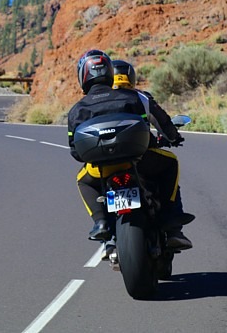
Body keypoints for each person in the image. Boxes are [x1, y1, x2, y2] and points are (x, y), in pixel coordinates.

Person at [68, 50, 192, 253]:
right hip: (140, 159)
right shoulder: (135, 97)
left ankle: (101, 223)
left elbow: (75, 151)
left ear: (83, 76)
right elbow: (161, 122)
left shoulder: (76, 110)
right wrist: (174, 137)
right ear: (109, 72)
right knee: (171, 164)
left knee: (83, 179)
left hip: (102, 169)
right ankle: (172, 221)